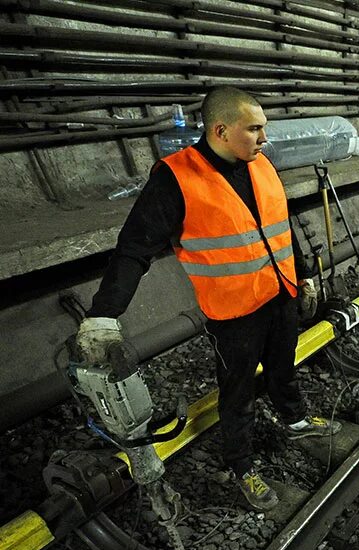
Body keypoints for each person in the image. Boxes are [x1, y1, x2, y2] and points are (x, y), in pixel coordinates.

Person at [75, 87, 341, 511]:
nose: (263, 137)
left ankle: (294, 419)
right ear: (221, 129)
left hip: (280, 295)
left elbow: (281, 225)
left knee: (281, 366)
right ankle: (242, 467)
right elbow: (134, 248)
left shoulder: (260, 164)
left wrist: (304, 276)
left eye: (264, 128)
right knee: (237, 394)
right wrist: (103, 315)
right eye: (254, 129)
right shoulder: (176, 177)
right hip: (233, 315)